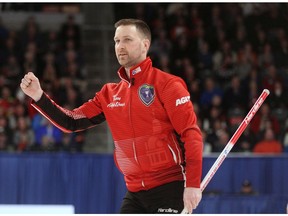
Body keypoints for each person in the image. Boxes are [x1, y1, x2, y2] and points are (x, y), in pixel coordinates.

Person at [20, 18, 203, 214]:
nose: (120, 46)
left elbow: (191, 135)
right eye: (116, 41)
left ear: (145, 45)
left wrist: (192, 184)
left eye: (127, 40)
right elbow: (71, 121)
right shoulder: (110, 93)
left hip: (170, 188)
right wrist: (39, 96)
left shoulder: (168, 85)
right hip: (134, 193)